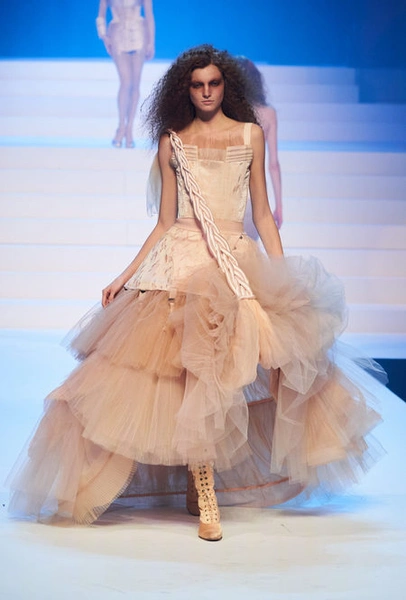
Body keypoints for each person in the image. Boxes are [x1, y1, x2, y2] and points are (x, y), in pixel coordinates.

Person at [7, 45, 383, 543]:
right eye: (197, 85)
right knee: (185, 377)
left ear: (227, 86)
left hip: (235, 262)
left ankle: (196, 482)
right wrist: (125, 276)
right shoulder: (172, 142)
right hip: (180, 264)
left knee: (229, 377)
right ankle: (204, 492)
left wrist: (282, 273)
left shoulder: (250, 135)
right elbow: (165, 222)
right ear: (184, 89)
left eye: (214, 83)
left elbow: (262, 213)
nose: (206, 93)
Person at [96, 0, 155, 148]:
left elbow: (149, 16)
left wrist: (151, 43)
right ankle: (121, 126)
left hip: (139, 35)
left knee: (135, 84)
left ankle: (129, 129)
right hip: (117, 35)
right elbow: (101, 16)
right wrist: (104, 36)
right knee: (125, 82)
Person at [237, 57, 283, 230]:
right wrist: (279, 205)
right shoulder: (268, 114)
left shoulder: (227, 112)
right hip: (255, 199)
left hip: (226, 197)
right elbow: (273, 165)